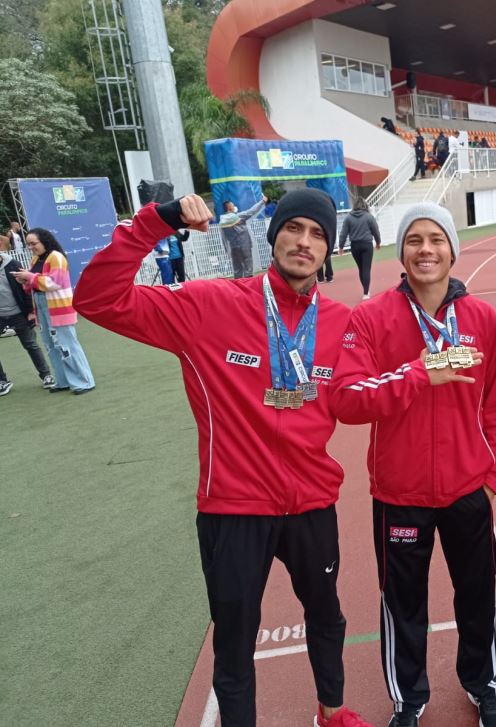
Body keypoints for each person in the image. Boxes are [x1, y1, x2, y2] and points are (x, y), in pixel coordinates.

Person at [73, 189, 371, 727]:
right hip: (233, 509)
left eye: (319, 234)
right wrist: (154, 224)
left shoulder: (341, 321)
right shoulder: (208, 305)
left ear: (329, 249)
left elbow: (373, 373)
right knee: (234, 640)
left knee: (328, 615)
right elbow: (96, 300)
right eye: (294, 228)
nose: (304, 242)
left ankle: (332, 711)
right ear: (273, 233)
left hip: (311, 504)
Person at [331, 203, 496, 727]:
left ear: (453, 250)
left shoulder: (481, 319)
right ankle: (409, 699)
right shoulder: (370, 319)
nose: (426, 249)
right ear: (400, 251)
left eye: (437, 238)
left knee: (477, 595)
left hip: (467, 492)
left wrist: (492, 479)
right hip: (398, 494)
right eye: (414, 239)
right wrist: (421, 371)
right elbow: (346, 401)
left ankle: (485, 685)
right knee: (403, 604)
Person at [11, 228, 95, 394]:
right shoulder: (36, 258)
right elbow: (34, 284)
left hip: (58, 307)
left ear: (44, 241)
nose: (31, 247)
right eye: (28, 244)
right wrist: (25, 280)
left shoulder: (56, 257)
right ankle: (63, 380)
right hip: (42, 305)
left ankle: (84, 381)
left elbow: (54, 283)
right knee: (51, 345)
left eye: (33, 243)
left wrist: (30, 277)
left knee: (67, 344)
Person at [0, 249, 55, 390]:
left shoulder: (12, 264)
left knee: (30, 345)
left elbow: (26, 288)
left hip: (18, 313)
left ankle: (46, 375)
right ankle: (2, 381)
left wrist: (30, 311)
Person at [337, 197, 381, 300]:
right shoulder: (369, 217)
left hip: (355, 246)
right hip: (366, 245)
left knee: (361, 268)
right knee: (366, 269)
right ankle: (366, 293)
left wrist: (341, 246)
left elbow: (343, 233)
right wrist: (378, 242)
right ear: (365, 205)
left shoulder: (348, 218)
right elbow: (375, 230)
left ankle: (365, 290)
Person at [219, 196, 267, 279]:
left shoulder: (222, 221)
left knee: (237, 269)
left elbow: (223, 237)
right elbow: (251, 211)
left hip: (233, 247)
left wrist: (226, 249)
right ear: (230, 208)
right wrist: (262, 201)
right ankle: (249, 284)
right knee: (248, 266)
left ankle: (238, 287)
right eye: (233, 206)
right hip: (244, 245)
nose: (234, 207)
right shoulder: (237, 217)